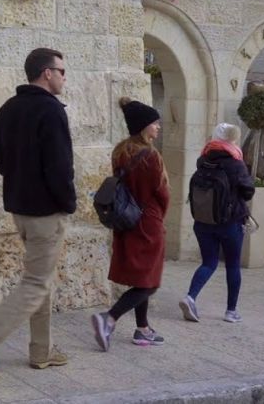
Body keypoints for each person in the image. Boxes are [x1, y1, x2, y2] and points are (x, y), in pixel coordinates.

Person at [0, 47, 76, 384]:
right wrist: (68, 203)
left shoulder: (8, 108)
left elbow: (0, 161)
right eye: (62, 71)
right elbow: (59, 167)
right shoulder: (51, 111)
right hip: (46, 212)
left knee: (42, 279)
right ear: (46, 73)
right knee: (36, 283)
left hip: (20, 209)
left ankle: (42, 350)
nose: (64, 78)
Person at [91, 97, 169, 350]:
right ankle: (108, 318)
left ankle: (142, 329)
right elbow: (162, 192)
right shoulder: (151, 156)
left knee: (142, 277)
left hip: (126, 219)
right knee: (150, 281)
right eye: (155, 123)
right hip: (148, 221)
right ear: (144, 126)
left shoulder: (120, 152)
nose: (158, 127)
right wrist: (160, 215)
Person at [179, 122, 255, 324]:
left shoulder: (203, 160)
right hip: (230, 222)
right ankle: (231, 311)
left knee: (209, 262)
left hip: (203, 221)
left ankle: (190, 297)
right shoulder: (236, 163)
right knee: (232, 265)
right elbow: (248, 190)